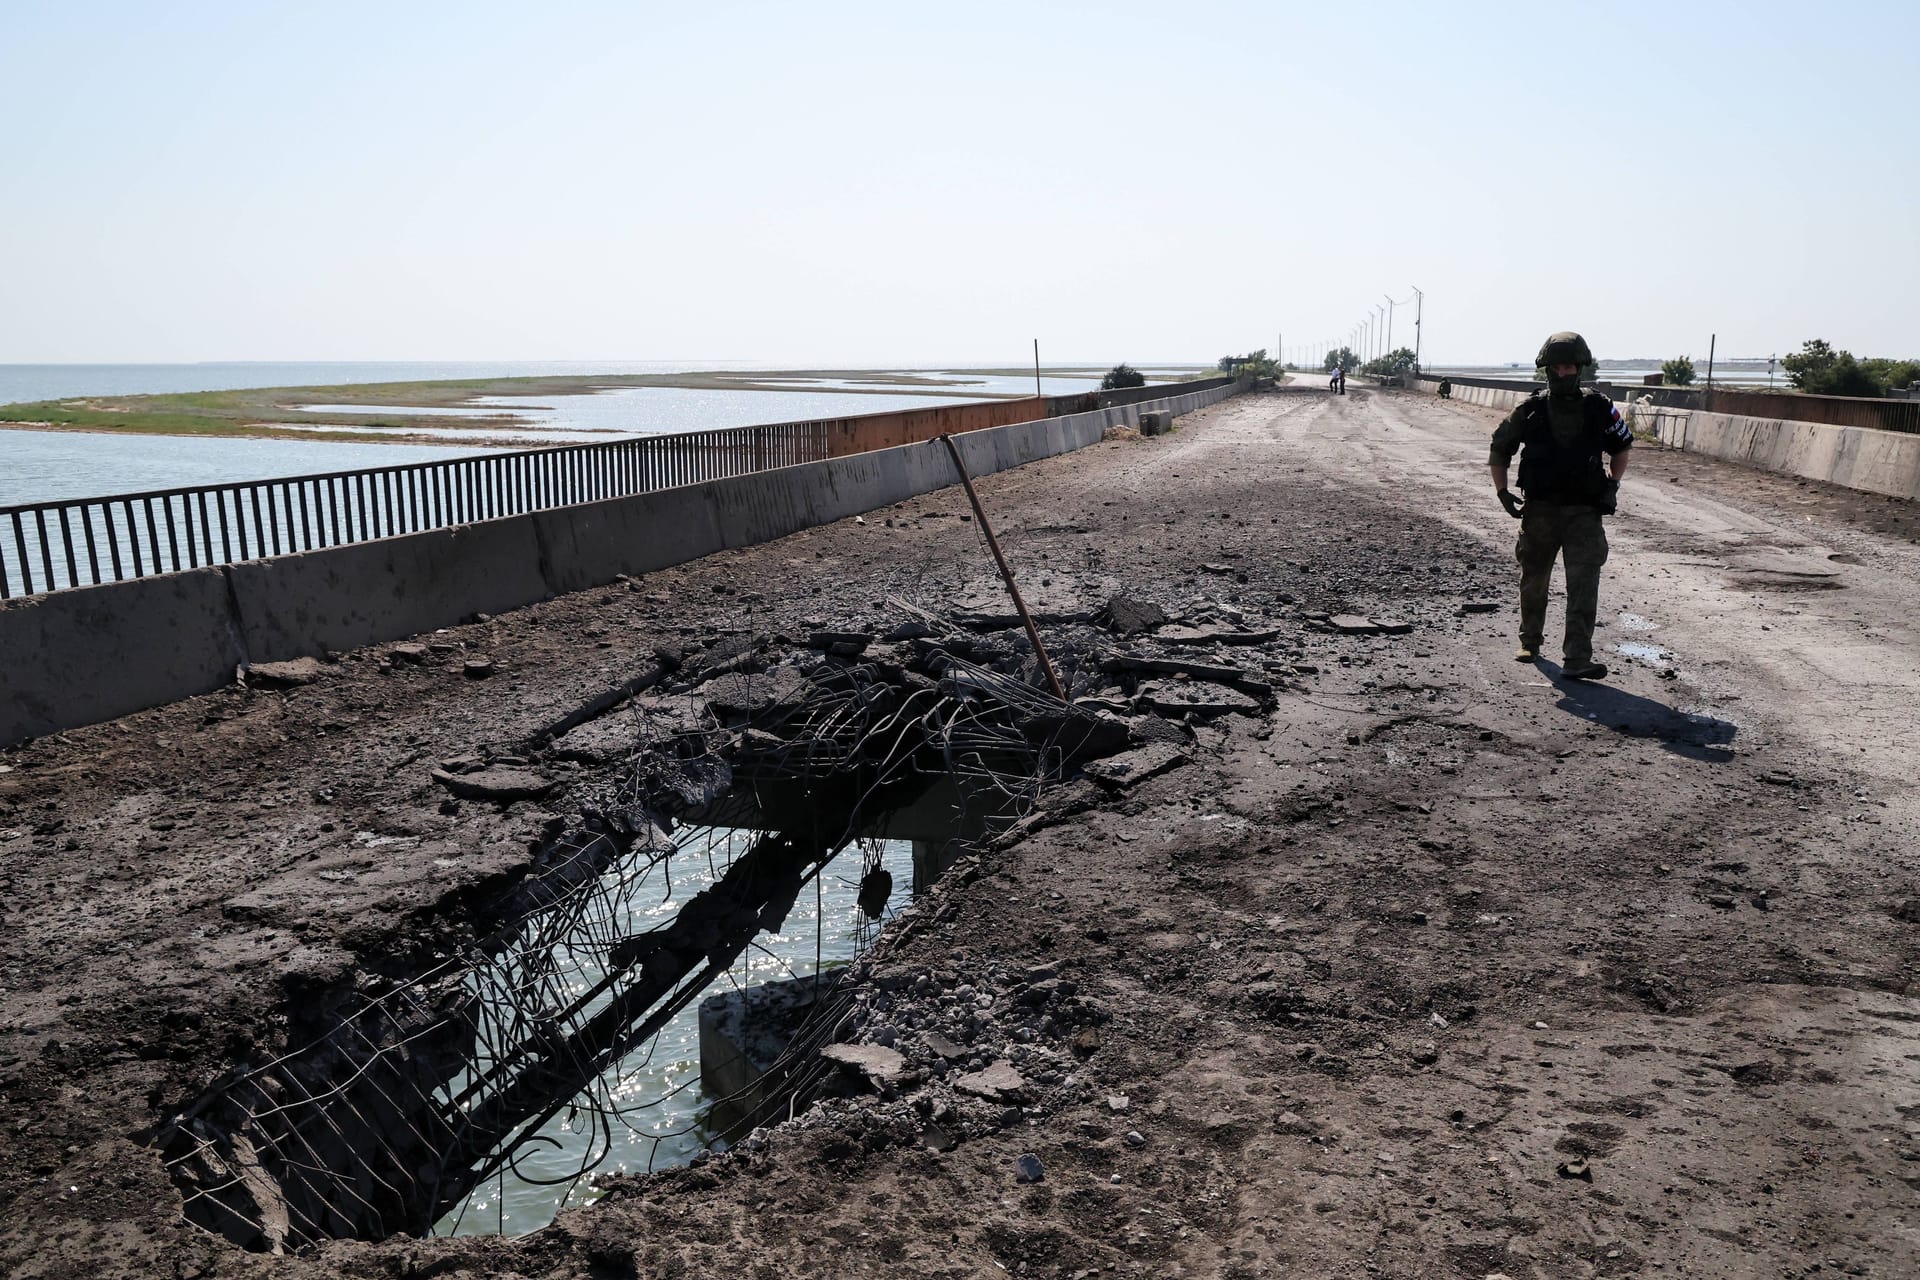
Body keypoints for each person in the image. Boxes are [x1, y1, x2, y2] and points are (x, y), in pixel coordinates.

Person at [1487, 331, 1632, 680]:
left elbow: (1622, 447)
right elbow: (1498, 449)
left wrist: (1613, 483)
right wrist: (1502, 491)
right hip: (1540, 511)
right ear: (1547, 370)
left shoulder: (1600, 407)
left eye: (1570, 367)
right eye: (1558, 367)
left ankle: (1577, 658)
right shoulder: (1530, 409)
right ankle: (1530, 641)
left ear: (1580, 368)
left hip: (1584, 512)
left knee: (1584, 584)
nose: (1564, 373)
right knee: (1534, 579)